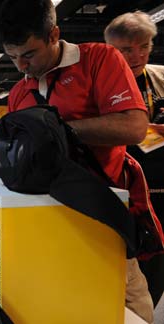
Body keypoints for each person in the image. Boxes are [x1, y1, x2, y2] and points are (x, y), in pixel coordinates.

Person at [0, 0, 153, 322]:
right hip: (46, 223)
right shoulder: (18, 92)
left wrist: (56, 132)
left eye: (29, 54)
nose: (21, 67)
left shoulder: (99, 59)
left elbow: (134, 127)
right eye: (12, 58)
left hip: (102, 214)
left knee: (131, 305)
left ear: (54, 35)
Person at [105, 10, 164, 307]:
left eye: (145, 47)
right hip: (122, 192)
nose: (137, 55)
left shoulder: (160, 77)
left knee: (155, 271)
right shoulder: (99, 84)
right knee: (123, 272)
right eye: (127, 49)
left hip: (160, 191)